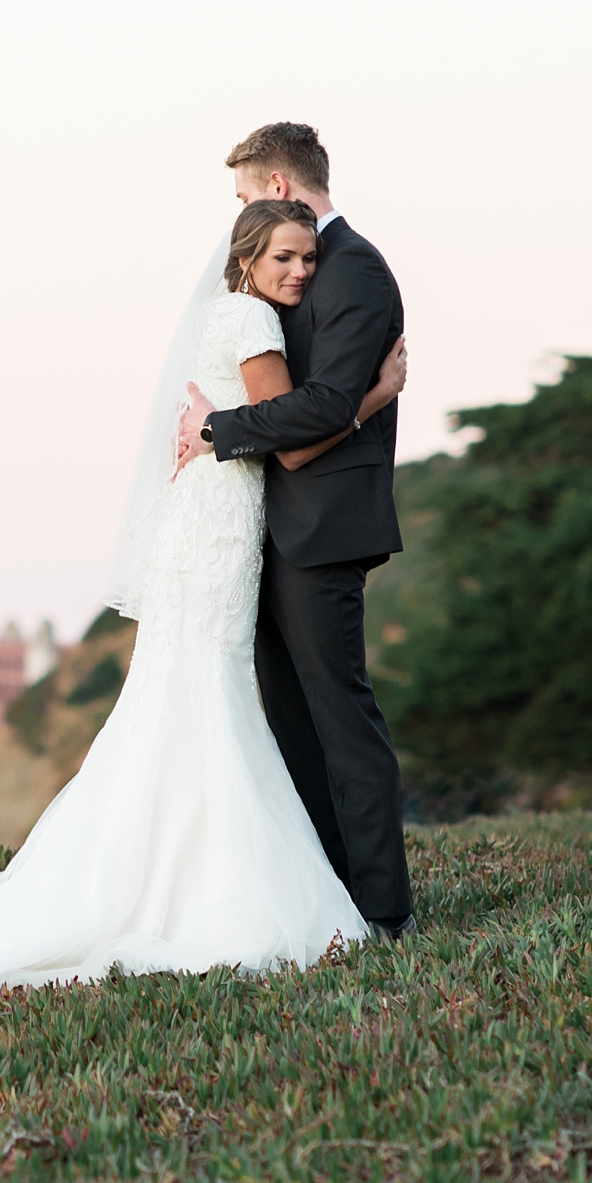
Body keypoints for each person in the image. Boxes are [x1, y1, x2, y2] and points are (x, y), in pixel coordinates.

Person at [0, 194, 406, 1014]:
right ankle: (220, 893)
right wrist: (371, 397)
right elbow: (294, 446)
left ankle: (163, 876)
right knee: (208, 702)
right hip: (219, 531)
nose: (298, 271)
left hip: (205, 529)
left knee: (183, 700)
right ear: (247, 259)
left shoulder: (225, 315)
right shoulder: (252, 326)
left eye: (307, 259)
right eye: (282, 258)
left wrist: (222, 426)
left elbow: (256, 426)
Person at [196, 123, 414, 941]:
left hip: (324, 526)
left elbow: (323, 404)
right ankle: (325, 896)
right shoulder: (292, 274)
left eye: (249, 195)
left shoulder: (355, 270)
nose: (244, 214)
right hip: (266, 528)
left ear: (281, 186)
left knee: (340, 716)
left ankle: (383, 908)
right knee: (291, 721)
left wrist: (220, 430)